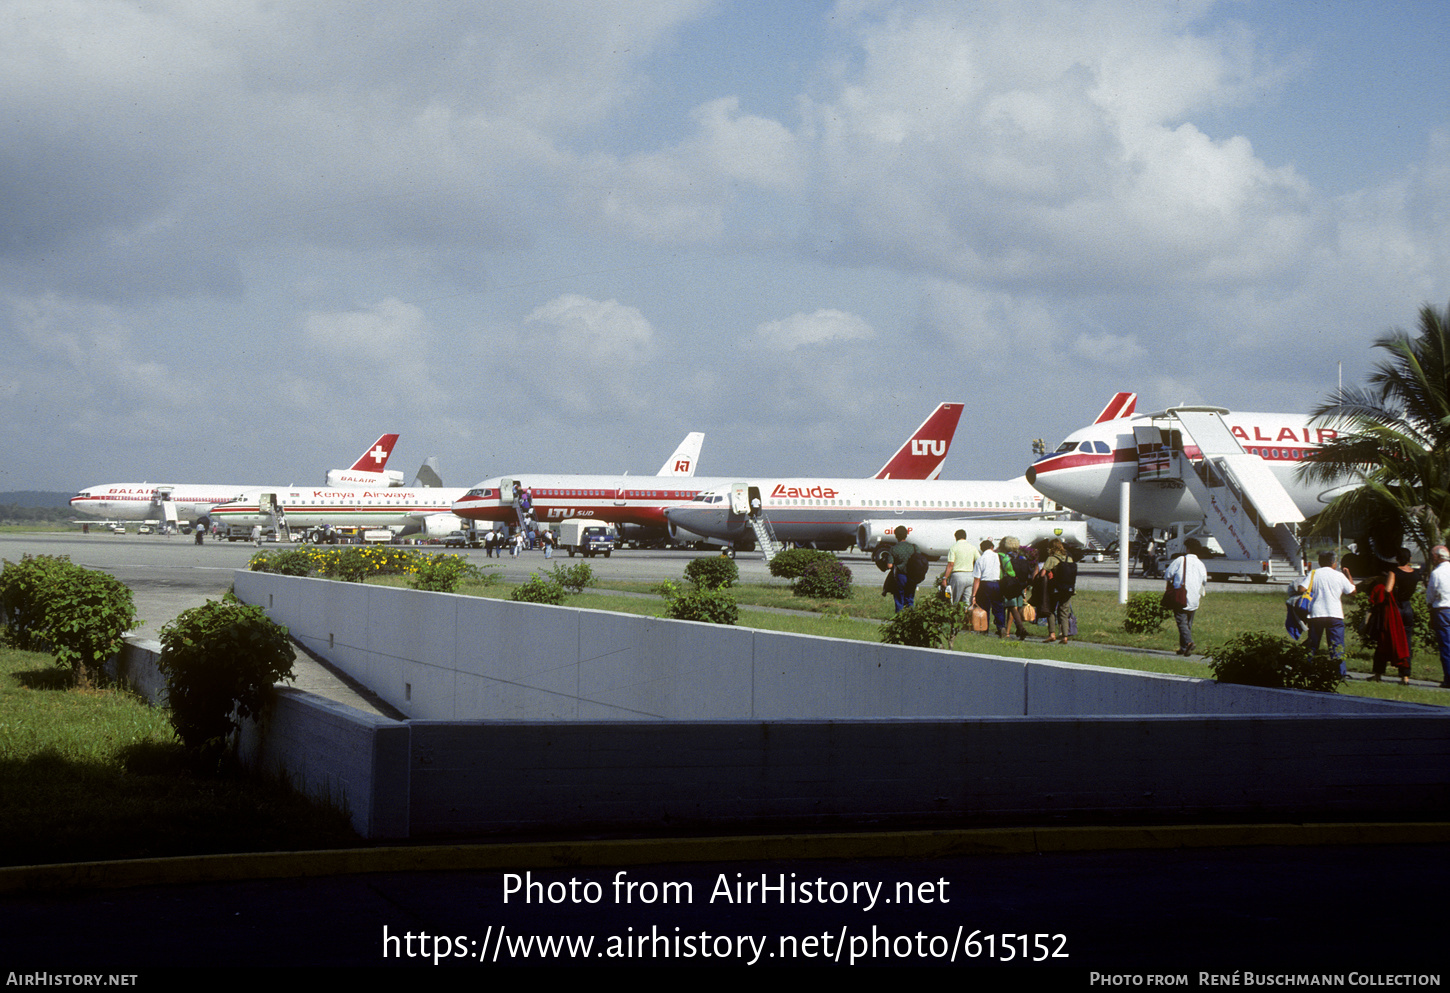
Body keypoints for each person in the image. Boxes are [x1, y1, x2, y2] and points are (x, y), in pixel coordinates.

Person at [1297, 550, 1356, 675]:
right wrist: (1348, 575)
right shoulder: (1339, 575)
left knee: (1313, 645)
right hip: (1334, 614)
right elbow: (1352, 592)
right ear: (1334, 562)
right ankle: (1340, 673)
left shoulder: (1314, 574)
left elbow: (1301, 589)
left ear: (1319, 562)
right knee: (1337, 646)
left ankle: (1308, 670)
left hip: (1316, 614)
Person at [1369, 548, 1417, 684]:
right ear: (1410, 559)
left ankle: (1378, 674)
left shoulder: (1394, 572)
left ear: (1397, 559)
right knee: (1406, 642)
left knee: (1384, 640)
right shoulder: (1415, 574)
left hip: (1394, 609)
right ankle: (1405, 676)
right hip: (1407, 607)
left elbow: (1388, 590)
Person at [1163, 538, 1208, 656]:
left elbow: (1167, 575)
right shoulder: (1200, 564)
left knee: (1181, 622)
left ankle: (1188, 643)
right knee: (1188, 624)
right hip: (1194, 598)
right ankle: (1183, 648)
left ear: (1187, 548)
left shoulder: (1180, 560)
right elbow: (1204, 580)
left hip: (1181, 597)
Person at [1033, 538, 1076, 644]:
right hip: (1068, 589)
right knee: (1064, 612)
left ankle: (1052, 634)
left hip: (1055, 589)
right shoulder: (1069, 558)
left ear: (1051, 548)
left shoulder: (1051, 558)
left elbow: (1043, 574)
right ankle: (1065, 636)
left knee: (1051, 610)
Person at [997, 536, 1033, 640]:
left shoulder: (1005, 557)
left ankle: (1020, 628)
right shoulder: (1022, 557)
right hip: (1020, 585)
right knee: (1014, 608)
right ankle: (1013, 630)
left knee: (1011, 607)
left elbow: (1005, 571)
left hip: (1010, 584)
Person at [1426, 545, 1450, 688]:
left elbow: (1431, 594)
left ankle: (1448, 678)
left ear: (1438, 557)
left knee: (1446, 645)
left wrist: (1429, 603)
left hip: (1442, 609)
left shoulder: (1437, 573)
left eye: (1433, 556)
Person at [971, 539, 1005, 636]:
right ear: (992, 547)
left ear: (982, 549)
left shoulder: (980, 559)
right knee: (998, 607)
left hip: (985, 584)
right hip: (996, 583)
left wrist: (973, 595)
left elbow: (977, 579)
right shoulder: (997, 556)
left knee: (985, 607)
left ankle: (984, 629)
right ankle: (1001, 626)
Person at [937, 529, 978, 608]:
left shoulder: (954, 547)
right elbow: (978, 560)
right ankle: (966, 618)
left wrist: (944, 578)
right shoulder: (972, 548)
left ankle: (953, 617)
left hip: (958, 575)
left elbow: (951, 564)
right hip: (970, 575)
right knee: (967, 602)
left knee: (954, 601)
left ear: (956, 537)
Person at [887, 525, 920, 613]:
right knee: (910, 597)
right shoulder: (914, 547)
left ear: (896, 536)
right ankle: (910, 616)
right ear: (906, 534)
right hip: (912, 576)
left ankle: (899, 616)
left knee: (899, 597)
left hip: (900, 576)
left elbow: (890, 565)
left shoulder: (893, 549)